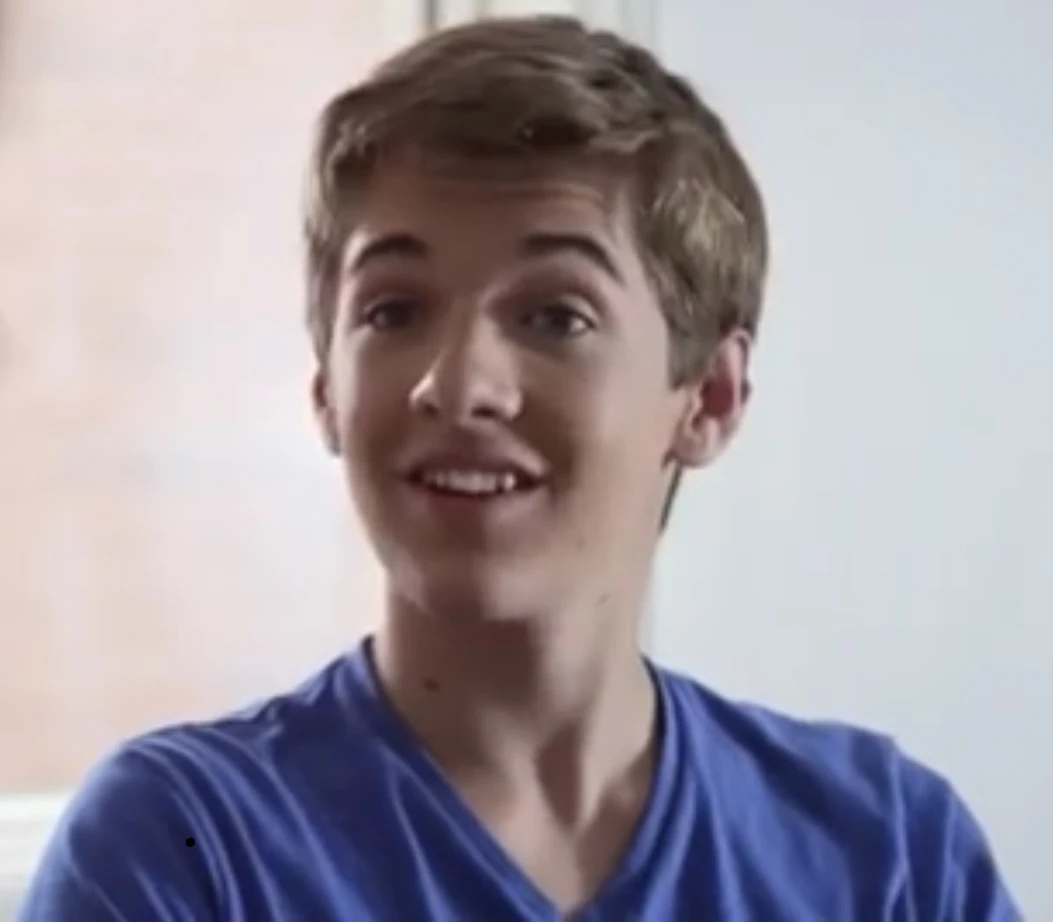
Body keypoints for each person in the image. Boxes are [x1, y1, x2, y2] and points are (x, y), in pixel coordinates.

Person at [18, 15, 1020, 922]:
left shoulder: (886, 854)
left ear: (707, 399)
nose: (456, 385)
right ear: (326, 389)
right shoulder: (181, 850)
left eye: (555, 316)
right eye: (393, 310)